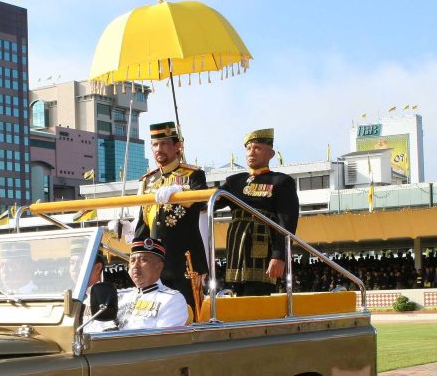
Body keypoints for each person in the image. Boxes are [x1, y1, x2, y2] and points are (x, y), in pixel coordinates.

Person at [131, 122, 209, 308]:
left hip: (186, 260)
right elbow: (143, 226)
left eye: (165, 144)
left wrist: (180, 191)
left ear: (177, 146)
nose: (159, 149)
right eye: (155, 145)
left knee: (191, 313)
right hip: (156, 263)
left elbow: (203, 201)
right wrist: (135, 258)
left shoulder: (193, 175)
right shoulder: (147, 181)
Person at [220, 128, 299, 296]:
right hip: (236, 250)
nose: (251, 152)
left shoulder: (281, 181)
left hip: (263, 250)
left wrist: (280, 255)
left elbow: (287, 223)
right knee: (234, 300)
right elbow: (210, 203)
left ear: (271, 153)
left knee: (256, 298)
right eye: (248, 148)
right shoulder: (234, 182)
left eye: (257, 148)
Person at [87, 238, 188, 332]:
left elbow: (163, 342)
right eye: (132, 260)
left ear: (159, 267)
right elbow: (93, 328)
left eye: (143, 260)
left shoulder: (172, 299)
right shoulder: (117, 295)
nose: (135, 266)